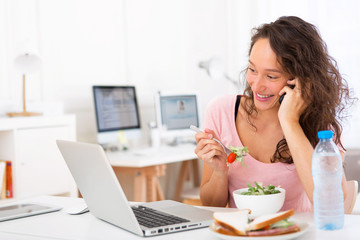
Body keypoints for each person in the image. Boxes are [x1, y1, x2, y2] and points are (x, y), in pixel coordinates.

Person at [194, 16, 354, 212]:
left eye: (271, 76)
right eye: (252, 69)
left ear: (300, 78)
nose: (257, 85)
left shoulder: (322, 128)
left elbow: (330, 204)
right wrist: (220, 172)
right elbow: (212, 207)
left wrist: (290, 121)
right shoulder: (221, 111)